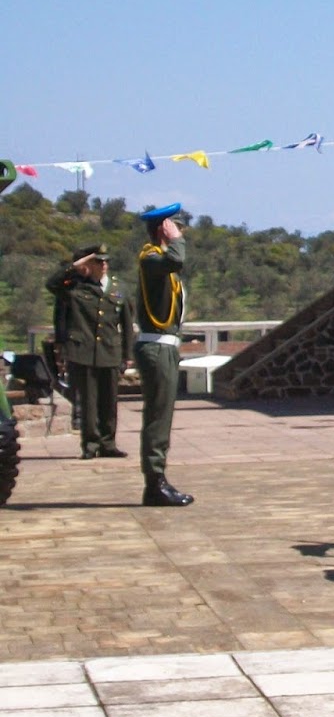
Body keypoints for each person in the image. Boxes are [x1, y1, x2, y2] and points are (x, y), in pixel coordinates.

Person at [45, 243, 135, 460]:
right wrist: (75, 266)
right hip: (83, 351)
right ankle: (90, 444)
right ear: (89, 265)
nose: (103, 265)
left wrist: (128, 355)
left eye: (105, 261)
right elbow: (51, 284)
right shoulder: (75, 288)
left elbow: (127, 325)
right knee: (88, 401)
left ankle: (108, 443)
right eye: (98, 261)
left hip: (109, 350)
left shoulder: (118, 288)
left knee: (109, 401)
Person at [134, 204, 194, 506]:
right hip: (156, 347)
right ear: (163, 228)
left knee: (162, 416)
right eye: (175, 227)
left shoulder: (159, 260)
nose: (180, 232)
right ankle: (154, 483)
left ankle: (157, 479)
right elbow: (177, 259)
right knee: (158, 417)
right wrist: (176, 241)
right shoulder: (151, 258)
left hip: (165, 346)